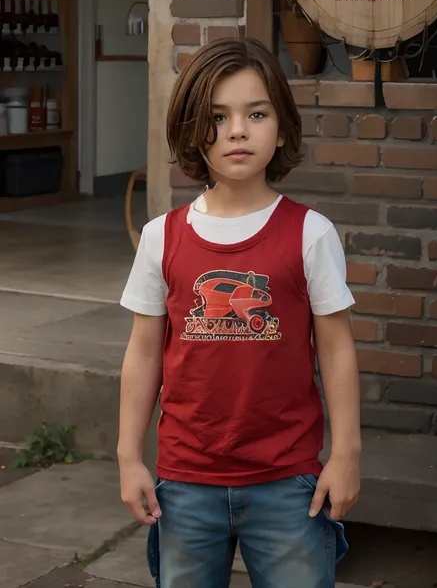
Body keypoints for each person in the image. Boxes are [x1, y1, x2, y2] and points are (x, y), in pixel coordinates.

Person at [118, 37, 361, 588]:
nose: (237, 130)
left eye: (256, 113)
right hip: (185, 480)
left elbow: (337, 349)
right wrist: (129, 455)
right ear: (190, 128)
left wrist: (345, 454)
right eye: (218, 116)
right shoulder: (162, 238)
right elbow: (142, 352)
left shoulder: (311, 234)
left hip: (289, 482)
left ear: (281, 125)